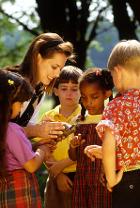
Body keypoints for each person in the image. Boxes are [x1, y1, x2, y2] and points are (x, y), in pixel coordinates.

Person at [95, 40, 140, 208]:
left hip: (128, 178)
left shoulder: (118, 105)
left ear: (118, 72)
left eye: (112, 76)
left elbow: (109, 143)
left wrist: (111, 178)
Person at [5, 32, 75, 140]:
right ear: (38, 57)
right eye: (54, 67)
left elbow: (21, 137)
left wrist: (39, 140)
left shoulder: (40, 91)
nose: (57, 74)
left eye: (60, 69)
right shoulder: (9, 83)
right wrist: (36, 130)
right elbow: (5, 129)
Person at [0, 69, 51, 207]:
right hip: (19, 189)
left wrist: (34, 146)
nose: (22, 106)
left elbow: (11, 155)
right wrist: (42, 149)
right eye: (20, 102)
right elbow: (31, 165)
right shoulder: (12, 129)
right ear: (9, 102)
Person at [68, 68, 114, 208]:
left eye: (94, 97)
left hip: (103, 181)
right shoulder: (79, 121)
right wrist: (73, 146)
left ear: (106, 94)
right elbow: (73, 157)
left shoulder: (111, 120)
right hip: (82, 182)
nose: (88, 103)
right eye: (84, 97)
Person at [38, 65, 82, 208]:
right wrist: (57, 174)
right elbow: (43, 148)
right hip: (55, 178)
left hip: (82, 176)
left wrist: (62, 164)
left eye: (74, 89)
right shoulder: (48, 118)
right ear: (56, 90)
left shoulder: (86, 117)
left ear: (82, 90)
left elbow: (86, 148)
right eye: (64, 88)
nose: (69, 93)